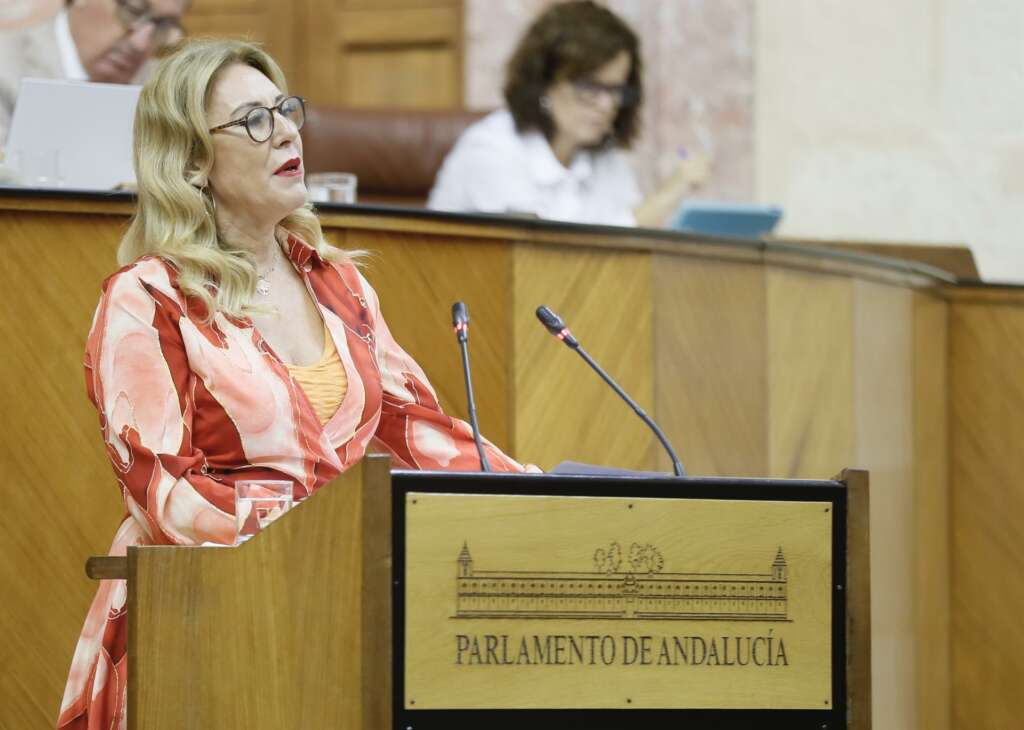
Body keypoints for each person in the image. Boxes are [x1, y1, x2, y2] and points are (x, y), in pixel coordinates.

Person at [56, 38, 534, 729]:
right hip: (202, 624)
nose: (285, 130)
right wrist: (322, 538)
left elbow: (413, 431)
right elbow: (164, 490)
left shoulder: (339, 284)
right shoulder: (149, 299)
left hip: (334, 619)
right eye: (253, 120)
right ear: (191, 160)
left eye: (285, 110)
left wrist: (531, 490)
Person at [428, 0, 708, 228]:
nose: (606, 105)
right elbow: (552, 254)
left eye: (615, 90)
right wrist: (667, 196)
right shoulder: (490, 149)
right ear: (544, 84)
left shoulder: (603, 159)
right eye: (590, 87)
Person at [0, 0, 189, 145]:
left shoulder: (169, 89)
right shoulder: (6, 66)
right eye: (133, 10)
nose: (141, 44)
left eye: (163, 24)